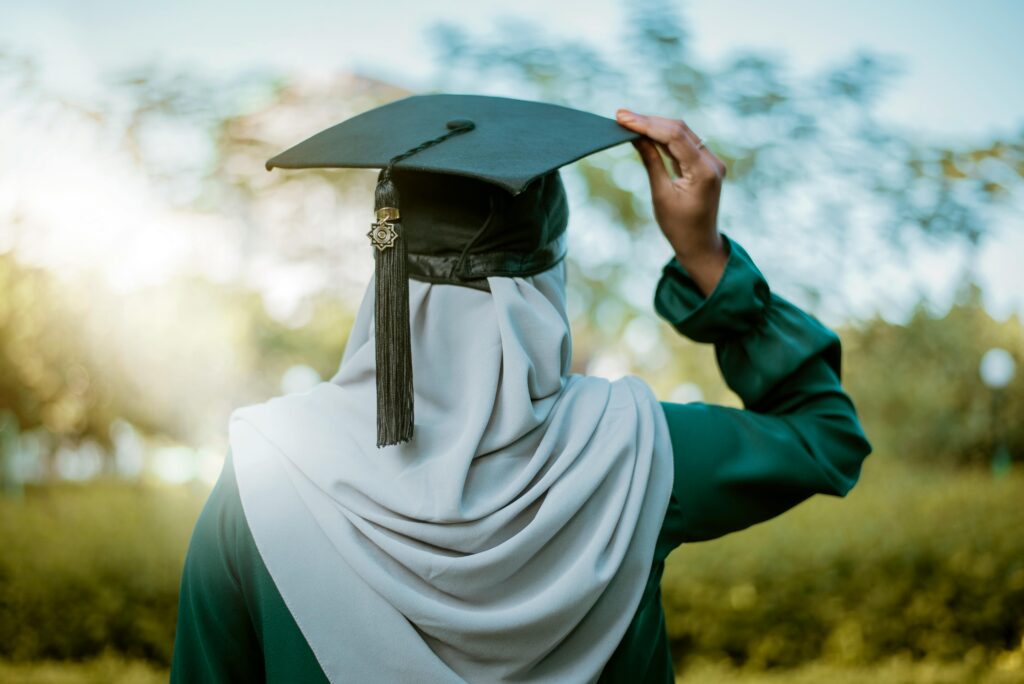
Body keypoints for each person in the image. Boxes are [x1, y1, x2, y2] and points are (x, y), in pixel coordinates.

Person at [170, 96, 872, 683]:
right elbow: (826, 438)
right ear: (541, 292)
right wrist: (703, 253)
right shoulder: (629, 451)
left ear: (386, 278)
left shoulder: (266, 471)